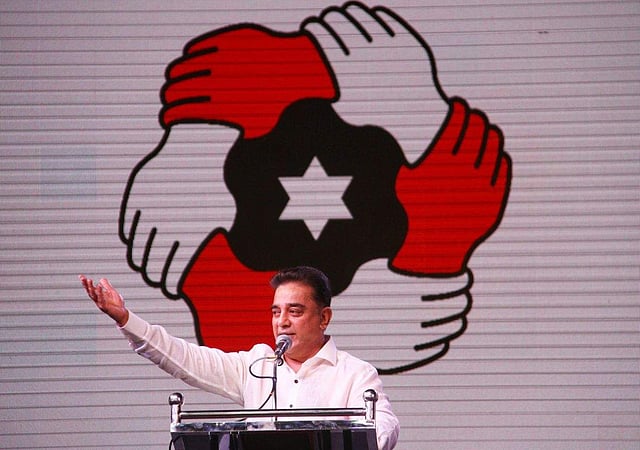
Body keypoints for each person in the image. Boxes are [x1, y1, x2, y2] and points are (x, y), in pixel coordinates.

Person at [79, 266, 399, 449]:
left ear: (324, 317)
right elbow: (185, 359)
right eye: (276, 312)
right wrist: (126, 320)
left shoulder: (354, 373)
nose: (282, 322)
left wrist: (355, 441)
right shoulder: (256, 365)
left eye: (295, 311)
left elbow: (385, 425)